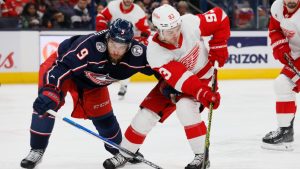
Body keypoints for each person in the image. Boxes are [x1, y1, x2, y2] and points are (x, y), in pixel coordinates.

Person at [103, 4, 230, 169]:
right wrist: (202, 93)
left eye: (177, 28)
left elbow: (220, 16)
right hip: (174, 83)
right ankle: (125, 153)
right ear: (158, 30)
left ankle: (201, 156)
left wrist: (219, 44)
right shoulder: (155, 52)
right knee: (145, 115)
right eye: (170, 31)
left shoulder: (189, 22)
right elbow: (181, 78)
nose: (176, 34)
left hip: (203, 77)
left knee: (185, 108)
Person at [20, 18, 153, 169]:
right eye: (113, 43)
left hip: (92, 81)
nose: (116, 50)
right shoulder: (90, 46)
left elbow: (161, 69)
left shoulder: (139, 54)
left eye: (121, 46)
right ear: (107, 37)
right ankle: (37, 149)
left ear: (129, 45)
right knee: (47, 105)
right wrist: (50, 90)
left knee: (104, 119)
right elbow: (62, 68)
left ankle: (120, 149)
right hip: (61, 68)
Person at [261, 0, 299, 151]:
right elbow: (275, 29)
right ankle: (285, 131)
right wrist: (280, 45)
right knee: (282, 84)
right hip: (296, 57)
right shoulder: (277, 7)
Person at [96, 0, 151, 99]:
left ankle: (123, 85)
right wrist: (102, 32)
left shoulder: (138, 12)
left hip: (128, 43)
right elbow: (101, 16)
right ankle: (100, 83)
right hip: (113, 40)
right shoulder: (113, 5)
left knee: (127, 64)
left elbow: (146, 31)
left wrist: (137, 41)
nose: (128, 0)